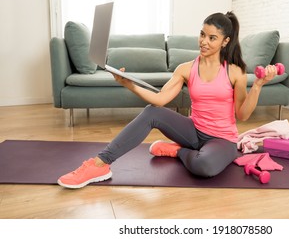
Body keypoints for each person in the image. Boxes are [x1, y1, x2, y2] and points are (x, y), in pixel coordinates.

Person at [57, 12, 277, 189]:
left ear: (225, 42)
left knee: (205, 167)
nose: (204, 42)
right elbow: (160, 100)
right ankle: (99, 164)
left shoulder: (235, 71)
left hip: (222, 139)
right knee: (153, 112)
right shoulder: (185, 69)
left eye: (212, 38)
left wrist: (257, 85)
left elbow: (243, 115)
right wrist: (128, 84)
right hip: (193, 131)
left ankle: (176, 151)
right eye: (202, 34)